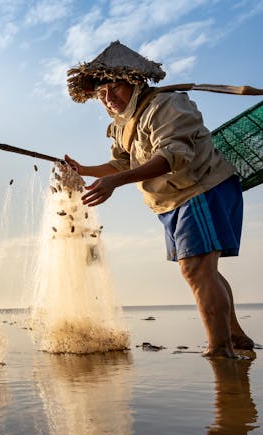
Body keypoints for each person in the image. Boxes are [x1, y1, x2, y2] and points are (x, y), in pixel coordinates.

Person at [63, 40, 255, 358]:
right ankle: (234, 336)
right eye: (101, 95)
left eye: (114, 88)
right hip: (172, 200)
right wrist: (83, 169)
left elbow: (172, 156)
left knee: (195, 269)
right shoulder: (121, 126)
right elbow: (122, 163)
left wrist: (114, 182)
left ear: (134, 81)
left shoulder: (166, 105)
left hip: (201, 188)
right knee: (205, 270)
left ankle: (221, 351)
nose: (109, 99)